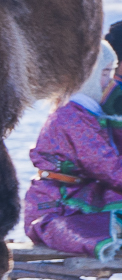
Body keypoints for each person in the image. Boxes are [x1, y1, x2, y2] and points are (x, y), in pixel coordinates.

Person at [24, 42, 122, 261]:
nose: (110, 82)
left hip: (81, 195)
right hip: (56, 205)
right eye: (104, 73)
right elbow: (109, 168)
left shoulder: (90, 113)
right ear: (86, 76)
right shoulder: (72, 117)